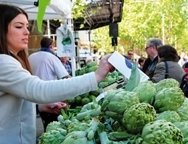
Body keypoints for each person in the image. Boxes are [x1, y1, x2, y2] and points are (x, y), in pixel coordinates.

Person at [0, 4, 113, 144]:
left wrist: (40, 106)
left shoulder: (12, 60)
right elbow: (39, 89)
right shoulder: (3, 63)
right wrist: (96, 76)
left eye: (27, 27)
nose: (27, 32)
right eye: (18, 26)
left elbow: (11, 103)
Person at [29, 37, 71, 130]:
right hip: (50, 97)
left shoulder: (31, 57)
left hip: (34, 98)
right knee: (55, 126)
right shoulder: (52, 57)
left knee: (45, 123)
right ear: (51, 46)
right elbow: (65, 77)